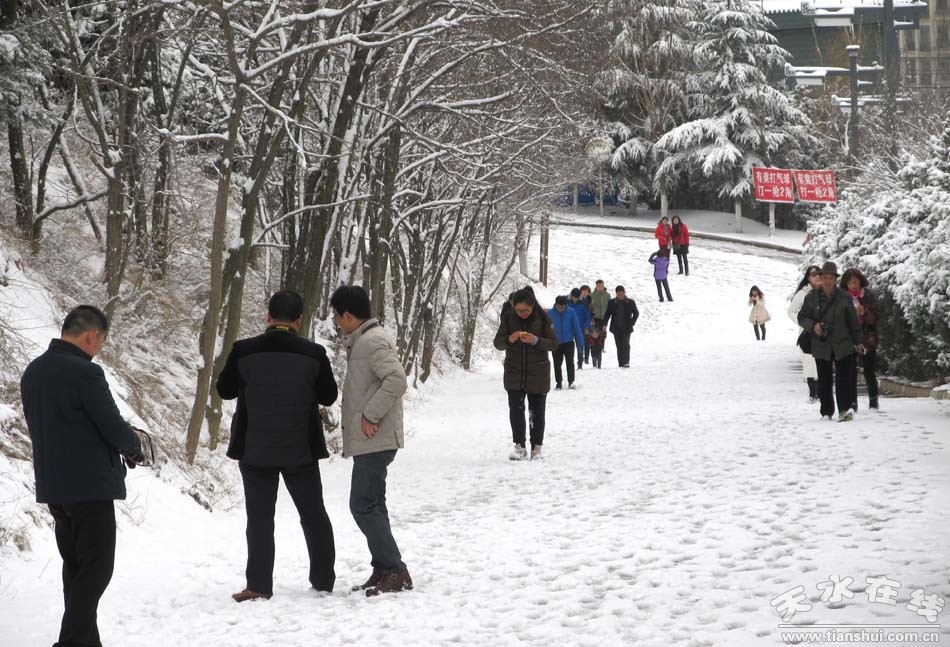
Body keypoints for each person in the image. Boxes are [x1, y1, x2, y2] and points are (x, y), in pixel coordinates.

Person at [20, 305, 145, 647]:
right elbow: (112, 426)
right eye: (101, 341)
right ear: (92, 336)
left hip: (54, 486)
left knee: (76, 568)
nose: (99, 348)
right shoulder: (86, 373)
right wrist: (135, 448)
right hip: (89, 487)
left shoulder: (33, 371)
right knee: (97, 569)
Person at [217, 290, 339, 602]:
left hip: (255, 448)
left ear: (268, 316)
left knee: (259, 519)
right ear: (300, 320)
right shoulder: (314, 354)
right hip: (301, 449)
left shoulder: (243, 350)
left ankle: (258, 585)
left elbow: (224, 390)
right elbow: (328, 396)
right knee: (313, 514)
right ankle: (323, 579)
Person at [330, 285, 412, 596]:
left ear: (347, 315)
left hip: (375, 437)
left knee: (362, 504)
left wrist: (371, 415)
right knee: (373, 504)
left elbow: (397, 380)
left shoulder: (371, 341)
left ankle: (394, 569)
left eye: (337, 316)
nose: (336, 322)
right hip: (373, 439)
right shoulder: (365, 340)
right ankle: (384, 569)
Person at [494, 287, 558, 460]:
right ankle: (519, 447)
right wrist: (510, 338)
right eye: (519, 310)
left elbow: (553, 344)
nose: (522, 314)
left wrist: (535, 340)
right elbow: (498, 343)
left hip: (538, 372)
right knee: (516, 410)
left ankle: (536, 449)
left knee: (537, 412)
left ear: (532, 306)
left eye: (526, 310)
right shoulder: (508, 318)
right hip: (514, 372)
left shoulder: (543, 318)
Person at [798, 262, 865, 422]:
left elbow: (853, 322)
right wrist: (813, 326)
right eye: (825, 277)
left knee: (843, 380)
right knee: (824, 380)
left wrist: (858, 342)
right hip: (821, 344)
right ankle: (826, 412)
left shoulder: (844, 297)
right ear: (821, 278)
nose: (828, 281)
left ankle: (844, 410)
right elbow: (802, 317)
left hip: (843, 344)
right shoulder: (811, 298)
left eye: (831, 278)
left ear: (836, 279)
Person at [840, 267, 881, 411]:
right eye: (850, 283)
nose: (853, 285)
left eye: (855, 282)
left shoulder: (869, 295)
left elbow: (876, 317)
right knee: (851, 371)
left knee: (869, 370)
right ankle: (852, 402)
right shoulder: (842, 297)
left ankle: (873, 400)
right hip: (849, 338)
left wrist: (864, 313)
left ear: (860, 281)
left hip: (867, 337)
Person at [788, 265, 822, 402]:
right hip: (807, 334)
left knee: (821, 363)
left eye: (819, 273)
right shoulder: (802, 294)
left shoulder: (827, 291)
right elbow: (791, 311)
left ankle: (822, 392)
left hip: (823, 333)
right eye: (813, 274)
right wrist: (804, 323)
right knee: (809, 363)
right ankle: (813, 393)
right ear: (808, 277)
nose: (817, 276)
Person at [549, 295, 585, 390]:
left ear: (565, 305)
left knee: (570, 362)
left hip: (568, 342)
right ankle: (558, 383)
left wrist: (580, 342)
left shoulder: (571, 312)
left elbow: (576, 327)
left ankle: (571, 381)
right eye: (559, 307)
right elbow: (546, 329)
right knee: (557, 363)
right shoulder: (550, 313)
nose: (561, 309)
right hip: (555, 342)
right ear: (556, 305)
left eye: (563, 307)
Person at [603, 285, 640, 368]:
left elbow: (636, 313)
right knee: (619, 346)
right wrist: (605, 324)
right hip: (616, 328)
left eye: (622, 293)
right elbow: (607, 314)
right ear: (616, 294)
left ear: (624, 292)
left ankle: (626, 362)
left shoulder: (630, 302)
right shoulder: (612, 302)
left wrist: (632, 322)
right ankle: (621, 363)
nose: (620, 295)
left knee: (626, 345)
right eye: (618, 294)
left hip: (626, 328)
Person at [568, 287, 592, 370]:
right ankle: (570, 363)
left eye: (577, 298)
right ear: (571, 295)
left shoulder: (584, 302)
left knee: (580, 346)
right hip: (568, 328)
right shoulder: (566, 301)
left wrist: (586, 327)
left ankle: (580, 364)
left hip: (580, 328)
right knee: (569, 347)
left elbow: (587, 316)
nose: (575, 300)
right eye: (574, 298)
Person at [578, 285, 593, 367]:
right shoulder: (578, 299)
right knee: (581, 342)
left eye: (587, 291)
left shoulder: (589, 300)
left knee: (587, 341)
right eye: (584, 291)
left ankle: (586, 358)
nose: (585, 293)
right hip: (580, 323)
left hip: (588, 323)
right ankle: (580, 359)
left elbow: (591, 311)